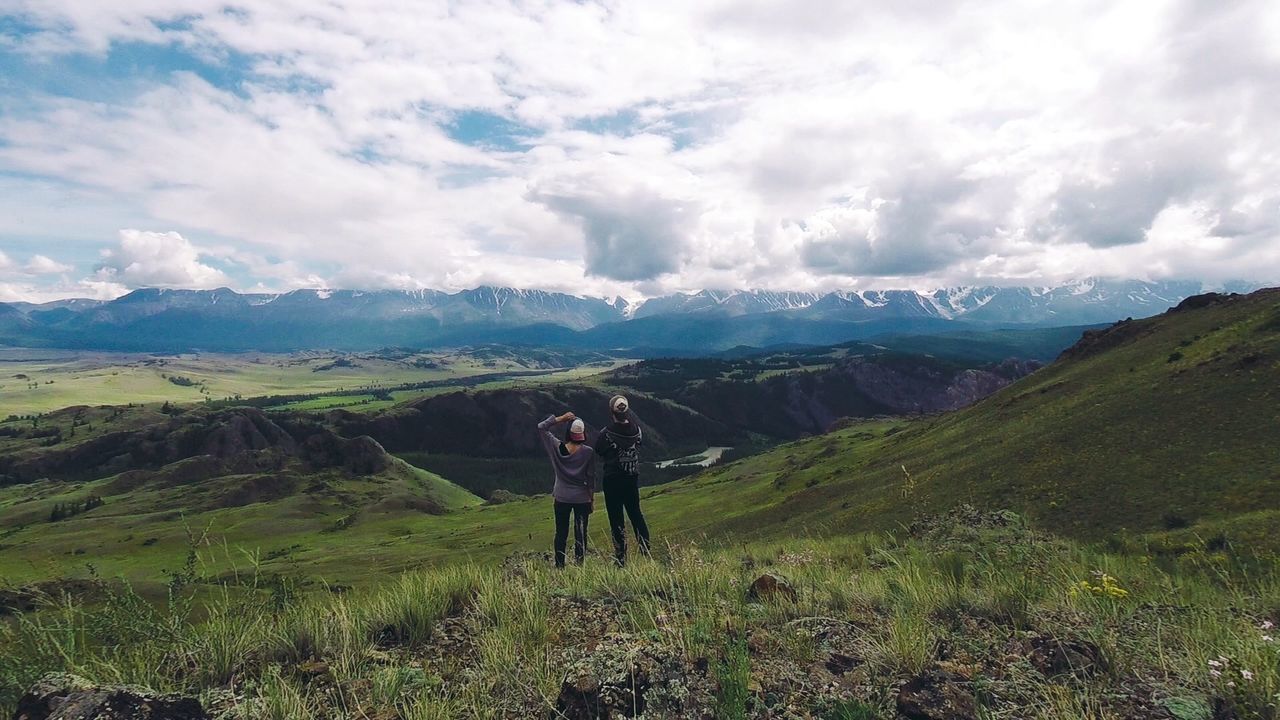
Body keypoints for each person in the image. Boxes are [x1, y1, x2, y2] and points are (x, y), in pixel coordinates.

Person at [593, 395, 650, 566]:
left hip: (612, 480)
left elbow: (599, 450)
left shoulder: (607, 433)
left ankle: (621, 558)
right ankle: (645, 551)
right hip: (631, 478)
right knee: (636, 514)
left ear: (612, 411)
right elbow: (639, 444)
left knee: (616, 518)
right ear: (626, 410)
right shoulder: (637, 430)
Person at [537, 411, 596, 568]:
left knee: (561, 532)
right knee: (581, 532)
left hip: (561, 496)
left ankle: (560, 566)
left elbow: (541, 427)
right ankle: (579, 565)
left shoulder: (556, 446)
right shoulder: (588, 452)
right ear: (583, 434)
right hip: (582, 498)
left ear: (568, 431)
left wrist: (560, 419)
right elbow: (590, 479)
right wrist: (591, 499)